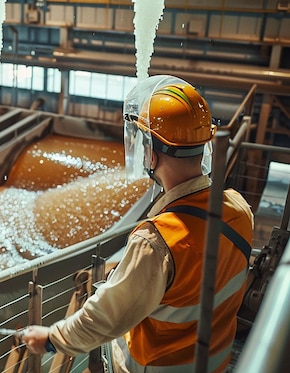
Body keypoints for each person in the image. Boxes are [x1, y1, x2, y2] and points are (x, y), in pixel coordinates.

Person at [20, 75, 254, 373]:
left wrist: (52, 338)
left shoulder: (156, 241)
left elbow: (104, 318)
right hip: (214, 363)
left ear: (150, 153)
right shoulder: (238, 207)